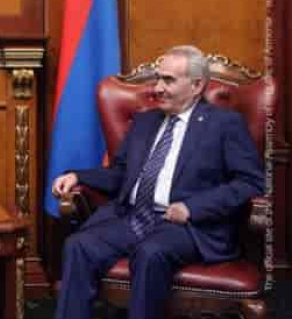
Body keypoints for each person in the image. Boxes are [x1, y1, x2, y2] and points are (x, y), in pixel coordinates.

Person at [50, 45, 264, 319]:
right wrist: (78, 176)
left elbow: (250, 181)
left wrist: (193, 208)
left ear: (197, 85)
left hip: (187, 226)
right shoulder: (145, 122)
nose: (157, 88)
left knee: (150, 253)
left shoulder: (223, 124)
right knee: (79, 245)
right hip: (134, 216)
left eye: (168, 80)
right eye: (158, 78)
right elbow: (121, 174)